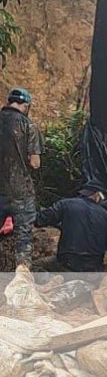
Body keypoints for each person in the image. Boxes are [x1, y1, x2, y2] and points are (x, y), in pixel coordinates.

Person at [0, 88, 42, 268]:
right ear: (25, 105)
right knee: (23, 242)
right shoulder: (28, 125)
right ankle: (22, 281)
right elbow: (35, 163)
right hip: (20, 191)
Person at [34, 186, 107, 272]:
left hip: (67, 265)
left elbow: (39, 220)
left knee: (35, 265)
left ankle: (47, 282)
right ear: (97, 196)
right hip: (94, 271)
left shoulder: (65, 204)